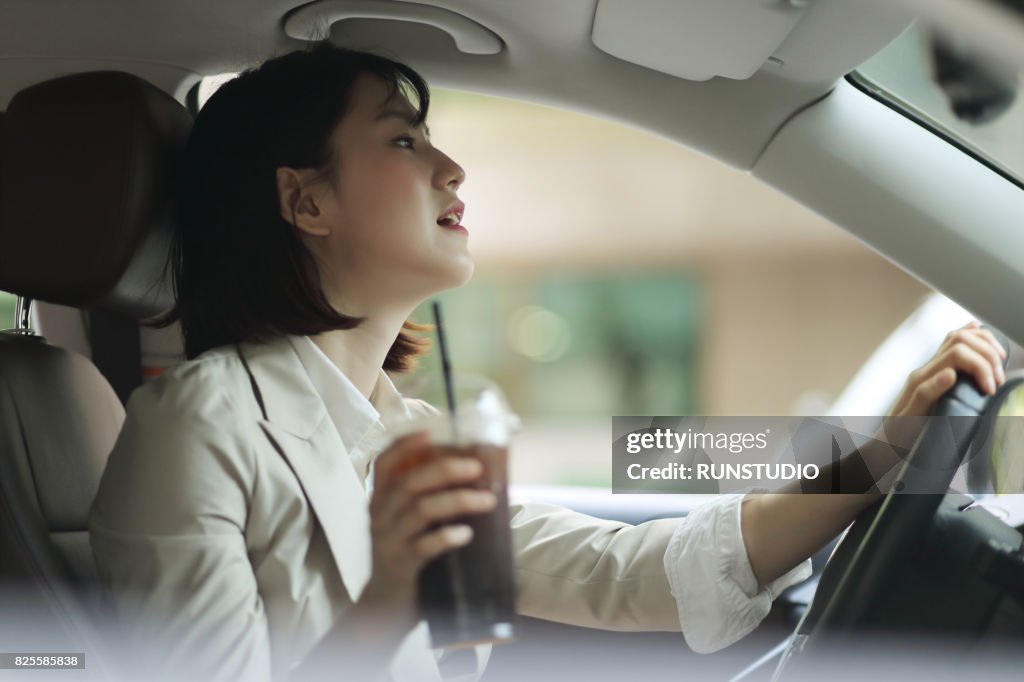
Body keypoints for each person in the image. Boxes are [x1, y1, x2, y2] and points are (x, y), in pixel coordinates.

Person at [88, 44, 1008, 682]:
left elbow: (629, 574)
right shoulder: (200, 425)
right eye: (403, 139)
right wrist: (393, 594)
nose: (451, 168)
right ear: (306, 202)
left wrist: (876, 457)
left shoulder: (395, 429)